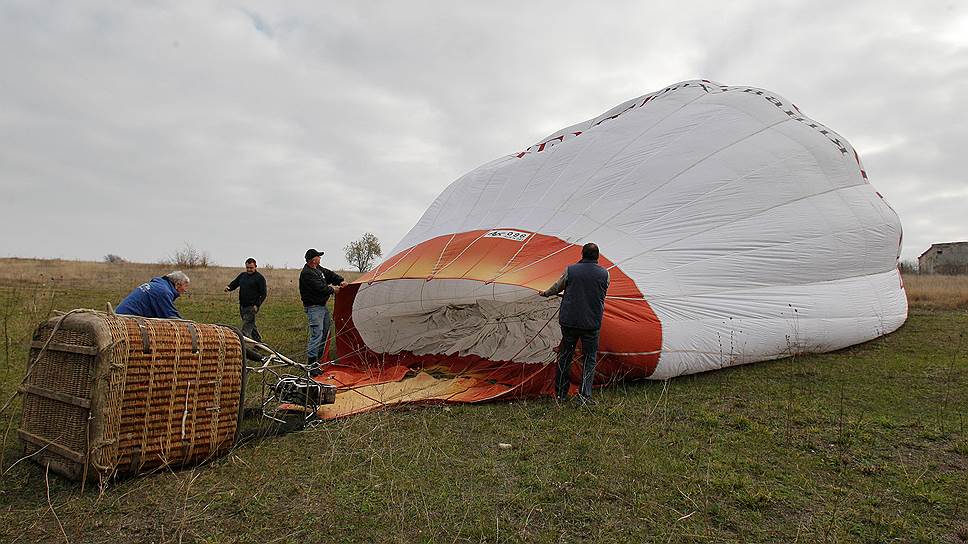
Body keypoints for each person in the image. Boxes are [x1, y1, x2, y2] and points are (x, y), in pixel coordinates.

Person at [539, 243, 610, 405]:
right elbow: (601, 293)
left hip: (569, 321)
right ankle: (585, 396)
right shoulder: (605, 274)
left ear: (582, 254)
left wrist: (546, 294)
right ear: (598, 256)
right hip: (591, 323)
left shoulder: (571, 270)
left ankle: (561, 394)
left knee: (565, 356)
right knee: (589, 358)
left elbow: (558, 286)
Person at [299, 248, 345, 373]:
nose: (320, 258)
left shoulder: (318, 269)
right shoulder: (307, 273)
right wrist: (333, 290)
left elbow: (330, 274)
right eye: (318, 256)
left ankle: (319, 359)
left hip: (322, 307)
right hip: (314, 308)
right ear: (314, 259)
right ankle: (312, 365)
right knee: (316, 334)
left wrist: (340, 280)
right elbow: (320, 288)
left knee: (324, 332)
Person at [224, 257, 267, 342]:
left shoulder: (260, 278)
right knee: (251, 324)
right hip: (242, 306)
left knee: (245, 328)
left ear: (255, 266)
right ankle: (259, 342)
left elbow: (263, 294)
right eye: (247, 267)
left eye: (251, 268)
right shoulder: (242, 276)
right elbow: (235, 283)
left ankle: (242, 345)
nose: (249, 269)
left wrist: (257, 305)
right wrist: (229, 287)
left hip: (252, 307)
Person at [115, 271, 190, 319]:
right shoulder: (163, 291)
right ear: (177, 285)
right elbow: (171, 316)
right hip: (125, 319)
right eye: (185, 286)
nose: (186, 290)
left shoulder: (159, 285)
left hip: (120, 314)